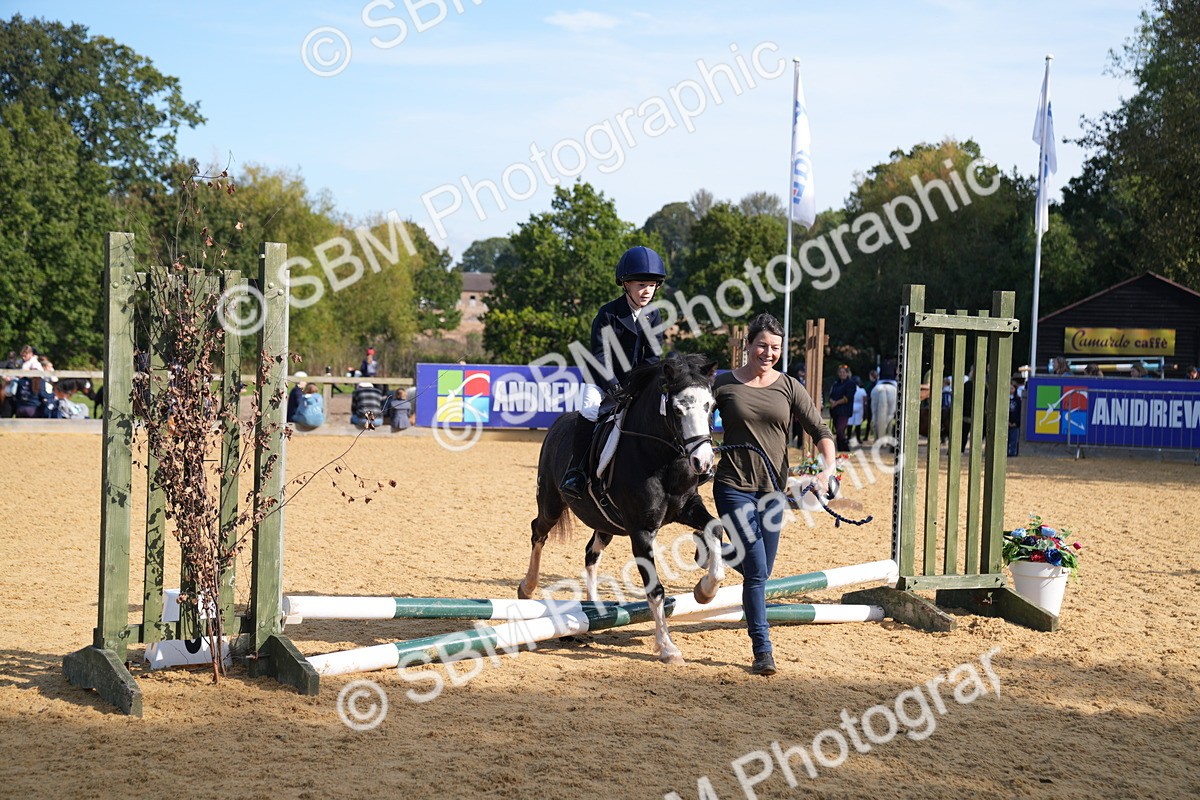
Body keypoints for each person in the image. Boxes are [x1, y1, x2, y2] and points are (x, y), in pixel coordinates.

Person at [712, 313, 837, 676]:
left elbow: (821, 431)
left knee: (762, 571)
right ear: (748, 345)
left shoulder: (789, 387)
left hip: (773, 493)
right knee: (756, 571)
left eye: (776, 348)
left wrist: (826, 472)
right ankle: (762, 650)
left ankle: (716, 551)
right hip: (733, 487)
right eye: (763, 346)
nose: (769, 353)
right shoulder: (722, 384)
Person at [559, 245, 666, 500]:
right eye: (641, 285)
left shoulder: (654, 315)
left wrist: (642, 386)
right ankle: (577, 470)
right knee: (589, 408)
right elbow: (599, 355)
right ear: (625, 284)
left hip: (635, 383)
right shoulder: (608, 313)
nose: (647, 291)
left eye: (651, 285)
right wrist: (614, 387)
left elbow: (652, 356)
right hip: (601, 380)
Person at [828, 364, 855, 452]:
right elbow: (831, 395)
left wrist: (836, 403)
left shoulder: (850, 384)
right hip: (835, 411)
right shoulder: (836, 383)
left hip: (844, 411)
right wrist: (832, 401)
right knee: (838, 431)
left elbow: (847, 398)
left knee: (840, 430)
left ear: (847, 373)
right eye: (840, 372)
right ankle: (840, 448)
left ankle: (845, 448)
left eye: (844, 372)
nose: (842, 374)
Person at [871, 357, 898, 446]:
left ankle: (876, 438)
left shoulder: (880, 366)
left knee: (875, 415)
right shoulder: (895, 366)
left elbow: (877, 375)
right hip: (892, 384)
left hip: (880, 384)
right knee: (890, 416)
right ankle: (888, 436)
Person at [848, 377, 866, 446]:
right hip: (860, 407)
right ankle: (858, 438)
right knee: (858, 424)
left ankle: (848, 437)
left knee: (850, 423)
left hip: (852, 406)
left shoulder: (850, 389)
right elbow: (865, 400)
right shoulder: (862, 390)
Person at [1007, 381, 1021, 457]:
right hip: (1007, 423)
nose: (1010, 390)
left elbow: (1019, 412)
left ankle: (1012, 452)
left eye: (1012, 388)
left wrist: (1015, 422)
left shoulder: (1018, 400)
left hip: (1015, 424)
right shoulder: (1005, 399)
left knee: (1014, 439)